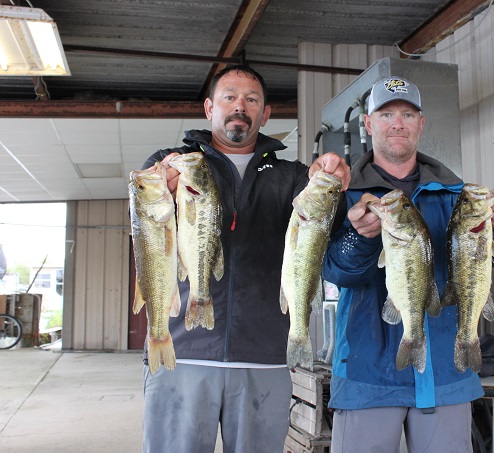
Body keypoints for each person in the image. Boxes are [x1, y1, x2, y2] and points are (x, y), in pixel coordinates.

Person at [139, 64, 350, 453]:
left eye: (251, 100)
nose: (240, 106)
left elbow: (328, 228)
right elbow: (144, 224)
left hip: (264, 357)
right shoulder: (173, 164)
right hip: (182, 352)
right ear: (209, 108)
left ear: (265, 114)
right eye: (229, 97)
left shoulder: (294, 178)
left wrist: (335, 184)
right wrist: (159, 190)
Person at [321, 76, 494, 452]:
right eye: (387, 114)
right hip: (368, 376)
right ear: (368, 123)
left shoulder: (456, 193)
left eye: (408, 115)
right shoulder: (345, 194)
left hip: (447, 374)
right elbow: (336, 272)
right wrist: (361, 237)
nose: (398, 123)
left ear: (421, 124)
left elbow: (488, 262)